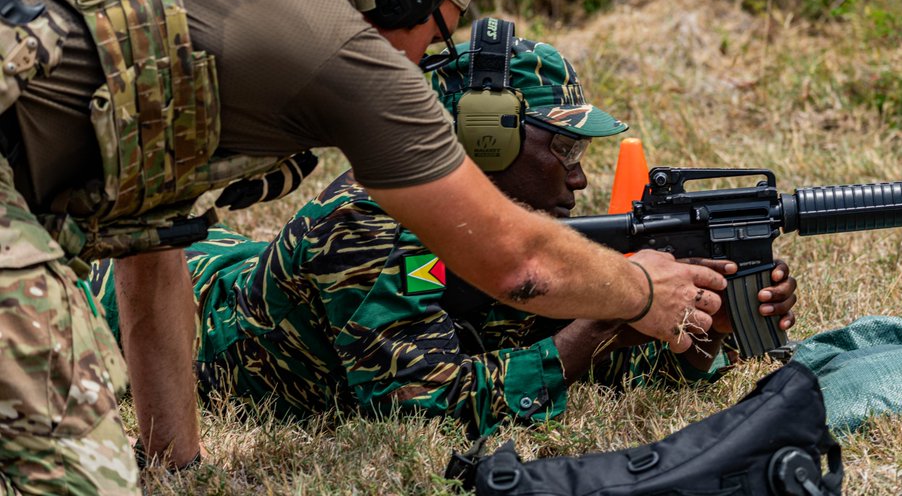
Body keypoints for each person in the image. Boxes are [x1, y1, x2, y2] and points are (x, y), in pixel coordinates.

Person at [0, 0, 726, 493]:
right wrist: (635, 293)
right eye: (442, 23)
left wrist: (175, 467)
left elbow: (156, 223)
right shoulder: (342, 53)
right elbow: (518, 264)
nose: (424, 60)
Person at [91, 28, 798, 438]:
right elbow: (428, 409)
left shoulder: (501, 238)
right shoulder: (365, 226)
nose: (579, 181)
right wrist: (599, 319)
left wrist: (701, 331)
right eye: (563, 149)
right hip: (171, 304)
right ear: (482, 139)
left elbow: (551, 356)